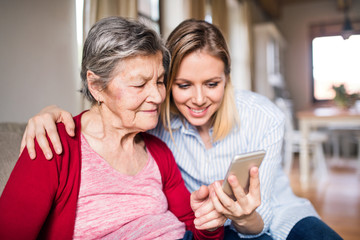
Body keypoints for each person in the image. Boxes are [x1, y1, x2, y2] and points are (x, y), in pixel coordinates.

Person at [19, 19, 343, 240]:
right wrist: (49, 113)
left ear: (227, 79)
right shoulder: (151, 122)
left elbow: (257, 212)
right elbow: (105, 117)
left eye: (213, 83)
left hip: (268, 218)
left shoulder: (261, 117)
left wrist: (232, 220)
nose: (199, 99)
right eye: (182, 85)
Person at [0, 17, 225, 239]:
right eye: (139, 84)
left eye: (159, 81)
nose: (157, 96)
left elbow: (195, 229)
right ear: (96, 86)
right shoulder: (53, 146)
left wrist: (210, 222)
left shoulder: (158, 151)